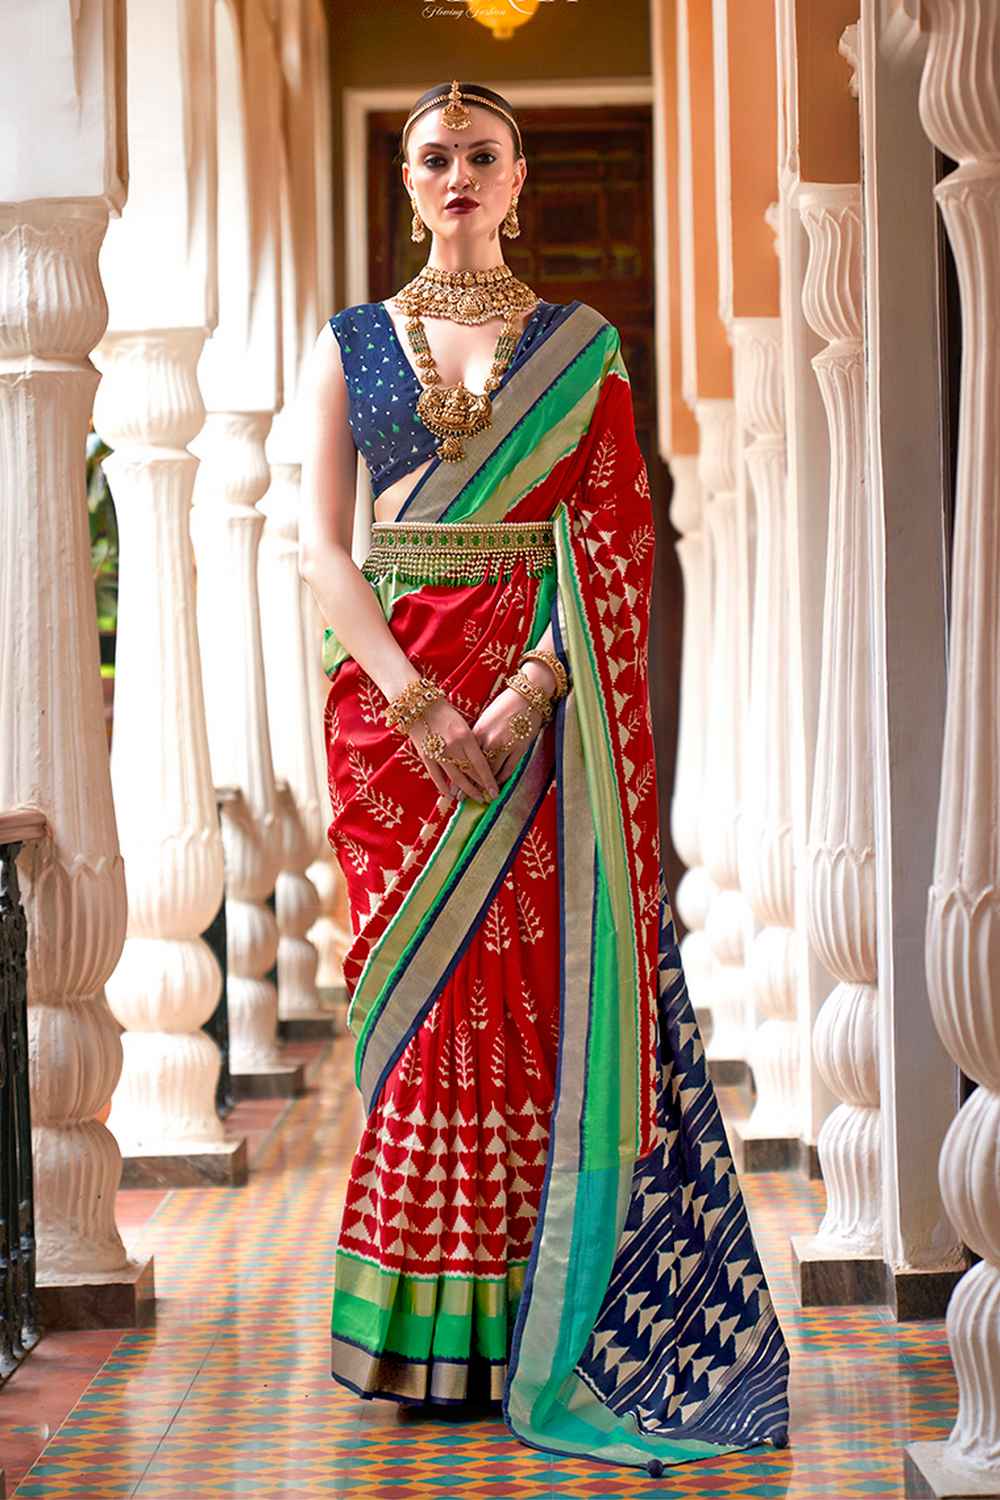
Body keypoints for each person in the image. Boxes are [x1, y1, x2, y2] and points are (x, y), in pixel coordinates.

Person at [299, 78, 789, 1475]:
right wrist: (412, 700)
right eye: (435, 156)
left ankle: (529, 1315)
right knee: (424, 1008)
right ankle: (422, 1329)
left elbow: (620, 548)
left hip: (538, 702)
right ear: (408, 181)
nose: (459, 175)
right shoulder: (350, 347)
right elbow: (327, 551)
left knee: (527, 998)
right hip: (388, 717)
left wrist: (519, 699)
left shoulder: (584, 351)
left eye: (484, 157)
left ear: (520, 179)